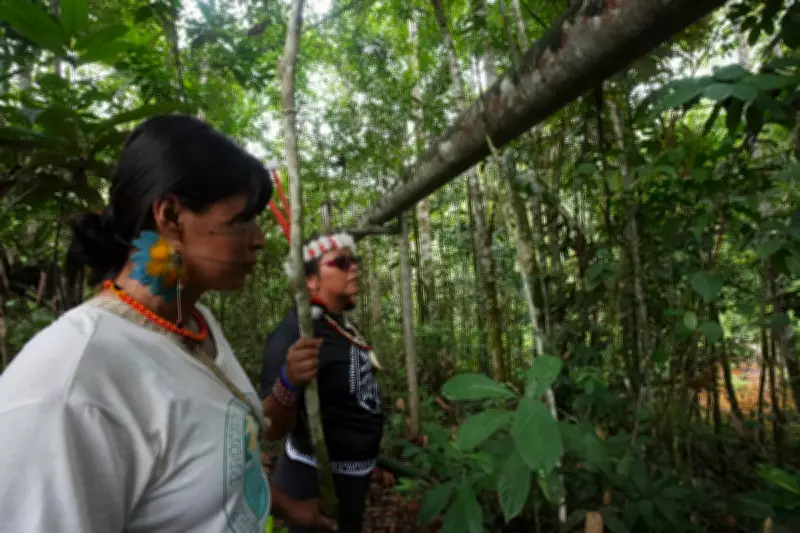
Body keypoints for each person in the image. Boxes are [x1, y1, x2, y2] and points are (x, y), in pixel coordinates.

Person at [0, 114, 335, 533]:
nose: (259, 239)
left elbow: (209, 468)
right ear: (172, 216)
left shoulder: (195, 322)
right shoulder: (71, 387)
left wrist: (282, 504)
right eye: (243, 220)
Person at [260, 231, 385, 533]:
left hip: (353, 478)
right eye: (340, 262)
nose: (353, 267)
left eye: (353, 260)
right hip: (314, 481)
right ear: (311, 280)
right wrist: (288, 382)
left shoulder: (337, 323)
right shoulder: (293, 336)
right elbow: (272, 428)